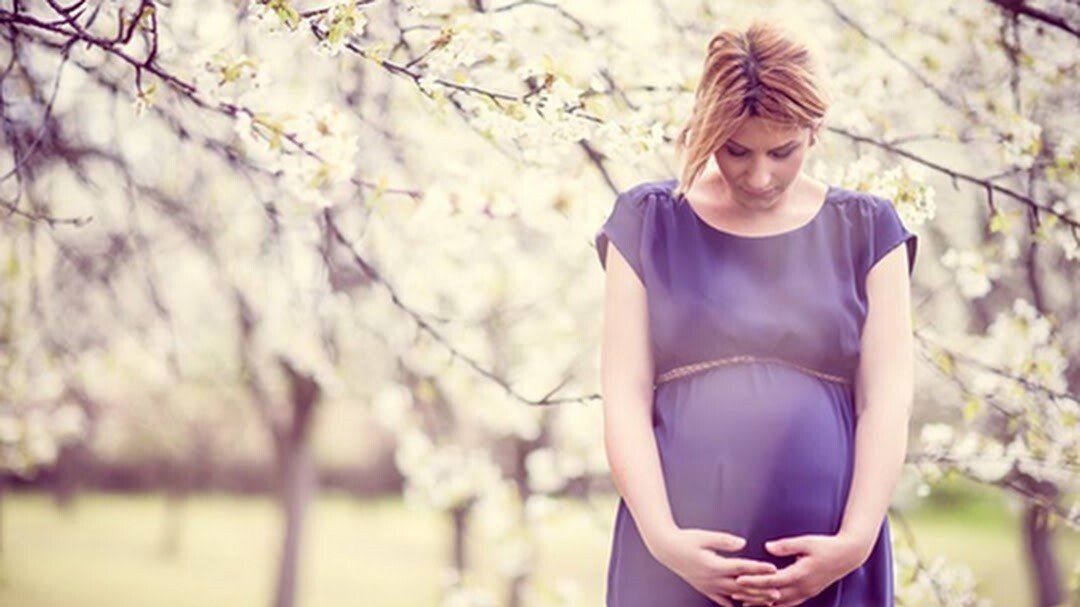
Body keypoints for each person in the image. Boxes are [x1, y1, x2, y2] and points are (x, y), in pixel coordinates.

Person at [595, 20, 917, 607]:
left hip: (832, 565)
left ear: (814, 131)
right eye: (736, 149)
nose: (759, 175)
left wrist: (854, 543)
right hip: (671, 562)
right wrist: (664, 541)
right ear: (706, 128)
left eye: (782, 151)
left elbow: (885, 398)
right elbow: (623, 391)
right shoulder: (647, 221)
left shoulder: (868, 230)